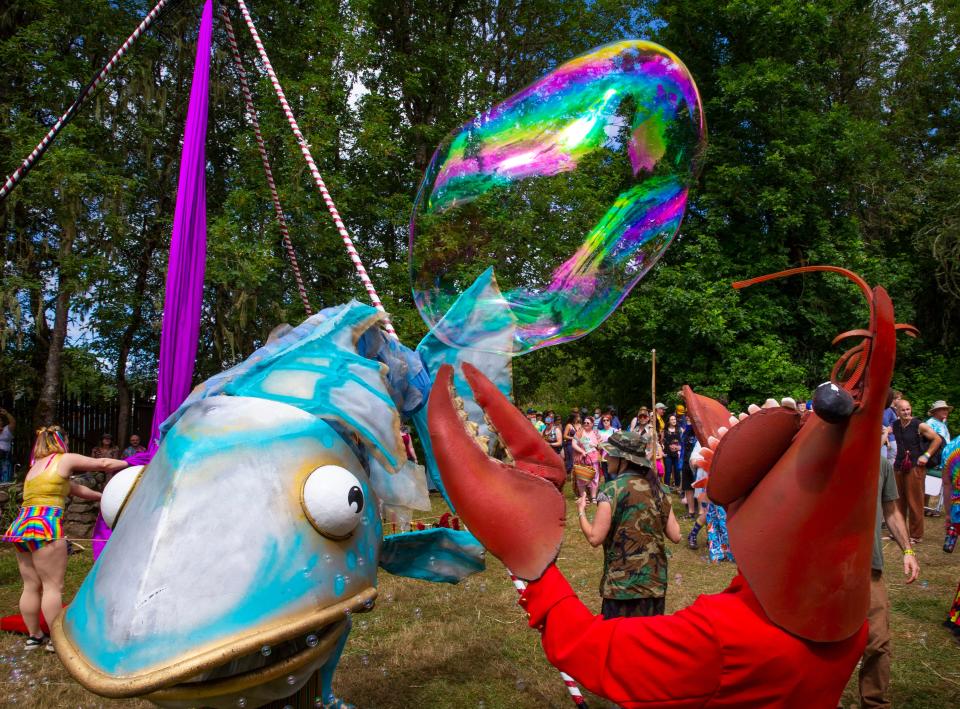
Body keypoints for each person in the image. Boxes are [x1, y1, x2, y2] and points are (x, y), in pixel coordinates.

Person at [2, 426, 126, 651]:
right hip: (45, 525)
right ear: (61, 441)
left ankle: (34, 636)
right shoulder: (63, 459)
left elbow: (74, 489)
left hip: (22, 526)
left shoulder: (35, 468)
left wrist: (105, 497)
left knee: (30, 585)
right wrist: (135, 463)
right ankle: (57, 642)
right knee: (52, 586)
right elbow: (104, 464)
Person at [576, 431, 680, 618]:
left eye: (610, 454)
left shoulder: (611, 489)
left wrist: (581, 511)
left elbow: (594, 537)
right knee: (648, 643)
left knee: (618, 643)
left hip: (621, 587)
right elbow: (676, 535)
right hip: (653, 585)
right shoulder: (659, 489)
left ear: (623, 459)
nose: (606, 458)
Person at [857, 455, 919, 707]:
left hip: (869, 566)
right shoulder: (820, 449)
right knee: (822, 644)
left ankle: (873, 703)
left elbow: (891, 508)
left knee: (878, 642)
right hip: (825, 571)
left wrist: (908, 550)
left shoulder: (880, 462)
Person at [891, 399, 943, 542]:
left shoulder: (919, 425)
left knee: (915, 501)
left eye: (908, 409)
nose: (906, 412)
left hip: (915, 467)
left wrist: (926, 455)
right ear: (897, 411)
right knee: (898, 501)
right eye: (903, 410)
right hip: (899, 466)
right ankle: (899, 532)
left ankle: (916, 535)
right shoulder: (895, 425)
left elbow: (937, 439)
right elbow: (885, 433)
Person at [571, 416, 601, 502]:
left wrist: (595, 445)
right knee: (581, 477)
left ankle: (593, 497)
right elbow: (574, 444)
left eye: (588, 423)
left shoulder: (596, 433)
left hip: (594, 458)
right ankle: (583, 496)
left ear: (592, 424)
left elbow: (600, 445)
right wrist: (582, 451)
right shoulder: (580, 432)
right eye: (584, 422)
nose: (586, 424)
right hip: (582, 458)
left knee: (595, 477)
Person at [661, 414, 682, 490]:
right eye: (672, 419)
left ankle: (677, 487)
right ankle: (666, 487)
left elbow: (682, 441)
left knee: (677, 470)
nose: (674, 421)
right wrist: (662, 452)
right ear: (669, 421)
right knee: (668, 470)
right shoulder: (664, 431)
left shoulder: (680, 430)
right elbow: (661, 442)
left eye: (674, 419)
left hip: (677, 454)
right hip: (668, 454)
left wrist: (680, 448)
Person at [882, 390, 900, 463]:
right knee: (886, 462)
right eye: (898, 399)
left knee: (890, 461)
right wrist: (887, 441)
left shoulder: (890, 410)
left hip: (891, 439)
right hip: (888, 440)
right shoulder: (886, 410)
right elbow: (883, 425)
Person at [562, 412, 580, 482]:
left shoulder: (579, 425)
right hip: (570, 445)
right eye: (577, 417)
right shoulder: (569, 425)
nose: (578, 418)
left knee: (576, 460)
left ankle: (574, 476)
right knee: (570, 461)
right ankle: (567, 475)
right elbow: (565, 436)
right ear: (574, 418)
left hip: (578, 445)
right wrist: (574, 438)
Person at [0, 408, 15, 483]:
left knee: (5, 477)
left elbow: (13, 422)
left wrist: (6, 414)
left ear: (2, 422)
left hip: (5, 456)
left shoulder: (7, 429)